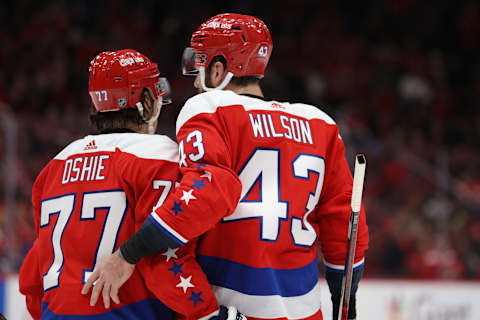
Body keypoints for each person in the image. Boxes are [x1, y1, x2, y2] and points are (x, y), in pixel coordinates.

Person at [85, 14, 369, 320]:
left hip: (232, 308)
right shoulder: (319, 123)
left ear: (219, 70)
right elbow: (345, 222)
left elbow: (203, 191)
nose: (195, 82)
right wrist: (345, 298)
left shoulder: (208, 108)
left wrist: (131, 252)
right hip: (303, 310)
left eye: (200, 69)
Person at [18, 48, 236, 320]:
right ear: (146, 102)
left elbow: (33, 276)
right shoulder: (160, 156)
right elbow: (163, 256)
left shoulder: (54, 167)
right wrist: (208, 313)